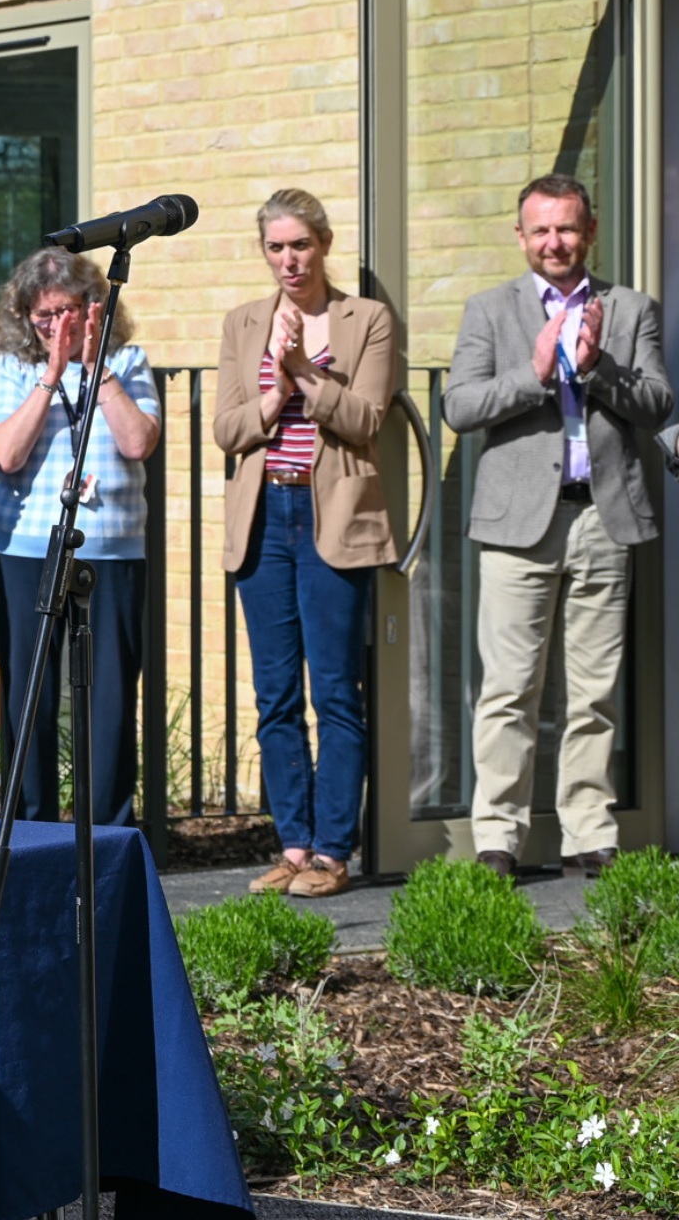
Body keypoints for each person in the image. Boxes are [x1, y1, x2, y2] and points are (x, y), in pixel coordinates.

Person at [444, 174, 673, 880]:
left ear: (591, 232)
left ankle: (588, 834)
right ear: (521, 237)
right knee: (509, 690)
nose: (554, 242)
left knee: (594, 692)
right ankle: (498, 838)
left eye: (567, 228)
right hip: (518, 525)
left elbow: (658, 400)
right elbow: (461, 405)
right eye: (540, 230)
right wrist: (537, 370)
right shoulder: (490, 310)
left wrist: (597, 367)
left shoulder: (632, 310)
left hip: (603, 517)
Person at [216, 190, 399, 898]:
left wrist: (296, 369)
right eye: (276, 247)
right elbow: (229, 431)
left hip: (333, 518)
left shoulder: (366, 320)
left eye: (300, 245)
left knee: (335, 692)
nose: (289, 260)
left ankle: (332, 852)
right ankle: (292, 848)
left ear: (324, 244)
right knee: (276, 695)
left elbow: (365, 419)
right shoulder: (242, 323)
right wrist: (271, 395)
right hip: (265, 515)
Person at [0, 247, 161, 827]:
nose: (58, 326)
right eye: (44, 316)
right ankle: (32, 830)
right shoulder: (11, 367)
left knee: (108, 698)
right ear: (24, 317)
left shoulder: (127, 361)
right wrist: (52, 376)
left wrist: (95, 366)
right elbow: (6, 454)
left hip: (110, 549)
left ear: (94, 309)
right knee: (29, 696)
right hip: (27, 548)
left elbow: (138, 443)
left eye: (69, 312)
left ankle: (107, 834)